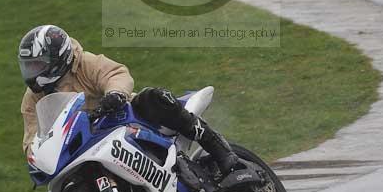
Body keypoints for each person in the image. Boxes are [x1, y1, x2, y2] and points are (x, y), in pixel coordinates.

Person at [18, 25, 238, 175]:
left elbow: (116, 74)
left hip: (122, 117)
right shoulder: (33, 99)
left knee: (153, 98)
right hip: (87, 141)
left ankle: (216, 145)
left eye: (37, 65)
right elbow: (32, 137)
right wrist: (36, 158)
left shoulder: (84, 63)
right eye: (28, 66)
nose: (32, 72)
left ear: (58, 57)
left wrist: (115, 94)